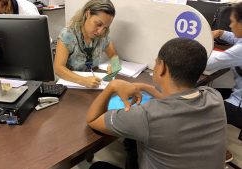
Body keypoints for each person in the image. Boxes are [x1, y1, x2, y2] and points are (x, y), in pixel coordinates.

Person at [86, 38, 227, 169]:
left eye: (156, 62)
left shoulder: (147, 116)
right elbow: (176, 99)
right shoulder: (214, 96)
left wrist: (113, 85)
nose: (101, 30)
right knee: (133, 142)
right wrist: (146, 87)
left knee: (98, 167)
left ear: (163, 68)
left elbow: (92, 119)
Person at [54, 0, 118, 88]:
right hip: (68, 87)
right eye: (98, 24)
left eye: (105, 27)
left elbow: (114, 56)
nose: (100, 31)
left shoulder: (103, 35)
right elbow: (58, 68)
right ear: (88, 13)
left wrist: (115, 67)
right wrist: (83, 80)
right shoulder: (68, 35)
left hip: (91, 85)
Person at [206, 2, 242, 131]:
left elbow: (208, 63)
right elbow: (236, 38)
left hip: (239, 108)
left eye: (232, 22)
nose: (230, 26)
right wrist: (220, 33)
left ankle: (214, 147)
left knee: (199, 107)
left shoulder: (240, 50)